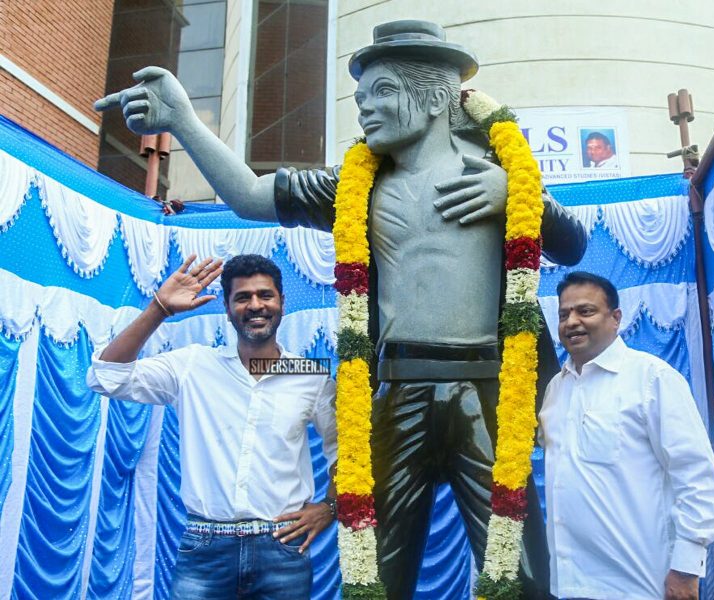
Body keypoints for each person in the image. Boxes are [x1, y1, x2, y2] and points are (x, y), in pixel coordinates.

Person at [95, 19, 587, 598]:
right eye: (360, 99)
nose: (365, 111)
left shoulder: (501, 170)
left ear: (432, 99)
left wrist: (513, 196)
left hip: (486, 390)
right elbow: (252, 197)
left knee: (523, 577)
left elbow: (570, 244)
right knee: (374, 575)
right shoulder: (353, 185)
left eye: (382, 93)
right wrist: (182, 120)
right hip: (395, 391)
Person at [86, 254, 338, 599]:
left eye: (265, 295)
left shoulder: (311, 374)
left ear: (281, 302)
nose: (255, 305)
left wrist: (330, 507)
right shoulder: (193, 365)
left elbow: (348, 450)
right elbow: (104, 378)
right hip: (205, 549)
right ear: (227, 306)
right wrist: (159, 308)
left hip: (283, 547)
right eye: (242, 297)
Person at [539, 271, 714, 600]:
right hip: (568, 585)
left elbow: (699, 481)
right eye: (563, 314)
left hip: (639, 585)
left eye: (585, 311)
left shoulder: (651, 379)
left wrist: (685, 571)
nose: (571, 322)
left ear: (616, 318)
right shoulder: (556, 389)